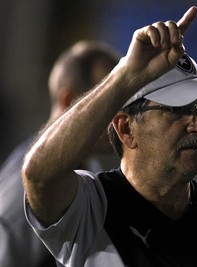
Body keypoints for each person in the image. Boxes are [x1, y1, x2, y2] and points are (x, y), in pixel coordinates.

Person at [22, 6, 197, 267]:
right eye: (177, 110)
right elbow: (39, 176)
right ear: (126, 129)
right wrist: (125, 75)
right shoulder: (92, 209)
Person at [0, 40, 120, 267]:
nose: (118, 115)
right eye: (104, 100)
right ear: (68, 100)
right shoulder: (22, 189)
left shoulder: (89, 167)